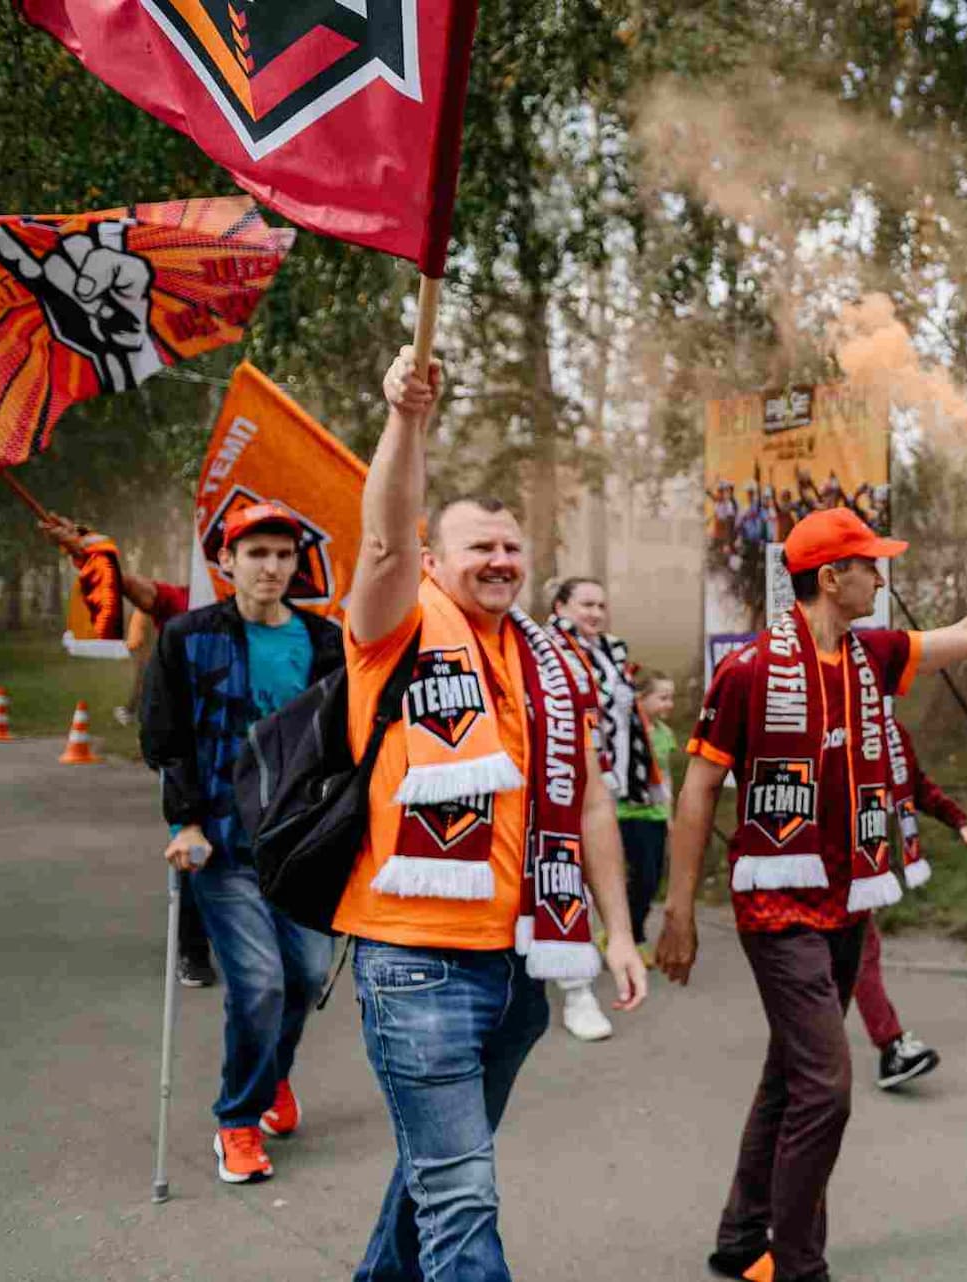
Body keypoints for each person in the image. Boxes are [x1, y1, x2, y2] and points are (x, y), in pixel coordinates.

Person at [659, 502, 967, 1282]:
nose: (879, 577)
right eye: (868, 565)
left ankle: (741, 1233)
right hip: (777, 903)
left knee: (791, 1075)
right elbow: (698, 794)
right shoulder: (748, 670)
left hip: (850, 898)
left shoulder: (874, 654)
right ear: (831, 577)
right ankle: (797, 1266)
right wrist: (680, 912)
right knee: (824, 1088)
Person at [336, 348, 647, 1279]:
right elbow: (384, 540)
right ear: (437, 559)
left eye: (513, 549)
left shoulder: (551, 657)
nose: (501, 561)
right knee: (463, 1194)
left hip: (522, 966)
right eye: (480, 547)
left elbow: (591, 795)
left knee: (437, 1177)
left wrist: (618, 933)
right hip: (416, 961)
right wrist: (406, 420)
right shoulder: (394, 622)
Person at [140, 501, 342, 1184]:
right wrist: (185, 823)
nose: (273, 567)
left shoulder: (324, 640)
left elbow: (345, 744)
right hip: (222, 843)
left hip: (302, 843)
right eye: (257, 553)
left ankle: (272, 1075)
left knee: (308, 977)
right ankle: (237, 1120)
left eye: (284, 555)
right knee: (257, 983)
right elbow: (166, 739)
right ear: (226, 562)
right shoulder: (189, 637)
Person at [39, 512, 219, 986]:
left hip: (252, 758)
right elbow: (133, 587)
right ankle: (193, 951)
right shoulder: (186, 602)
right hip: (190, 756)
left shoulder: (277, 611)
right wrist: (87, 548)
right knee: (195, 848)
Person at [852, 708, 967, 1090]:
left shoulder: (891, 731)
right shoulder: (833, 720)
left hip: (866, 863)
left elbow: (914, 784)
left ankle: (876, 1045)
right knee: (847, 955)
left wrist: (958, 820)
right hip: (833, 865)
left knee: (854, 954)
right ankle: (887, 1045)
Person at [545, 574, 644, 1042]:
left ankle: (576, 967)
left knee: (603, 875)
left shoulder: (609, 651)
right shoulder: (548, 651)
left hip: (606, 778)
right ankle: (576, 990)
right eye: (585, 604)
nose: (596, 614)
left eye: (601, 605)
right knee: (565, 877)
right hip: (559, 780)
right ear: (560, 605)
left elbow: (624, 721)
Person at [617, 668, 677, 964]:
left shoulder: (666, 735)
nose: (670, 704)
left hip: (654, 816)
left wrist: (671, 815)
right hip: (624, 813)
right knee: (632, 878)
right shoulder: (622, 732)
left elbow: (665, 778)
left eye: (671, 698)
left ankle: (626, 932)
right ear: (641, 698)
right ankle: (631, 937)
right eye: (663, 697)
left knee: (650, 881)